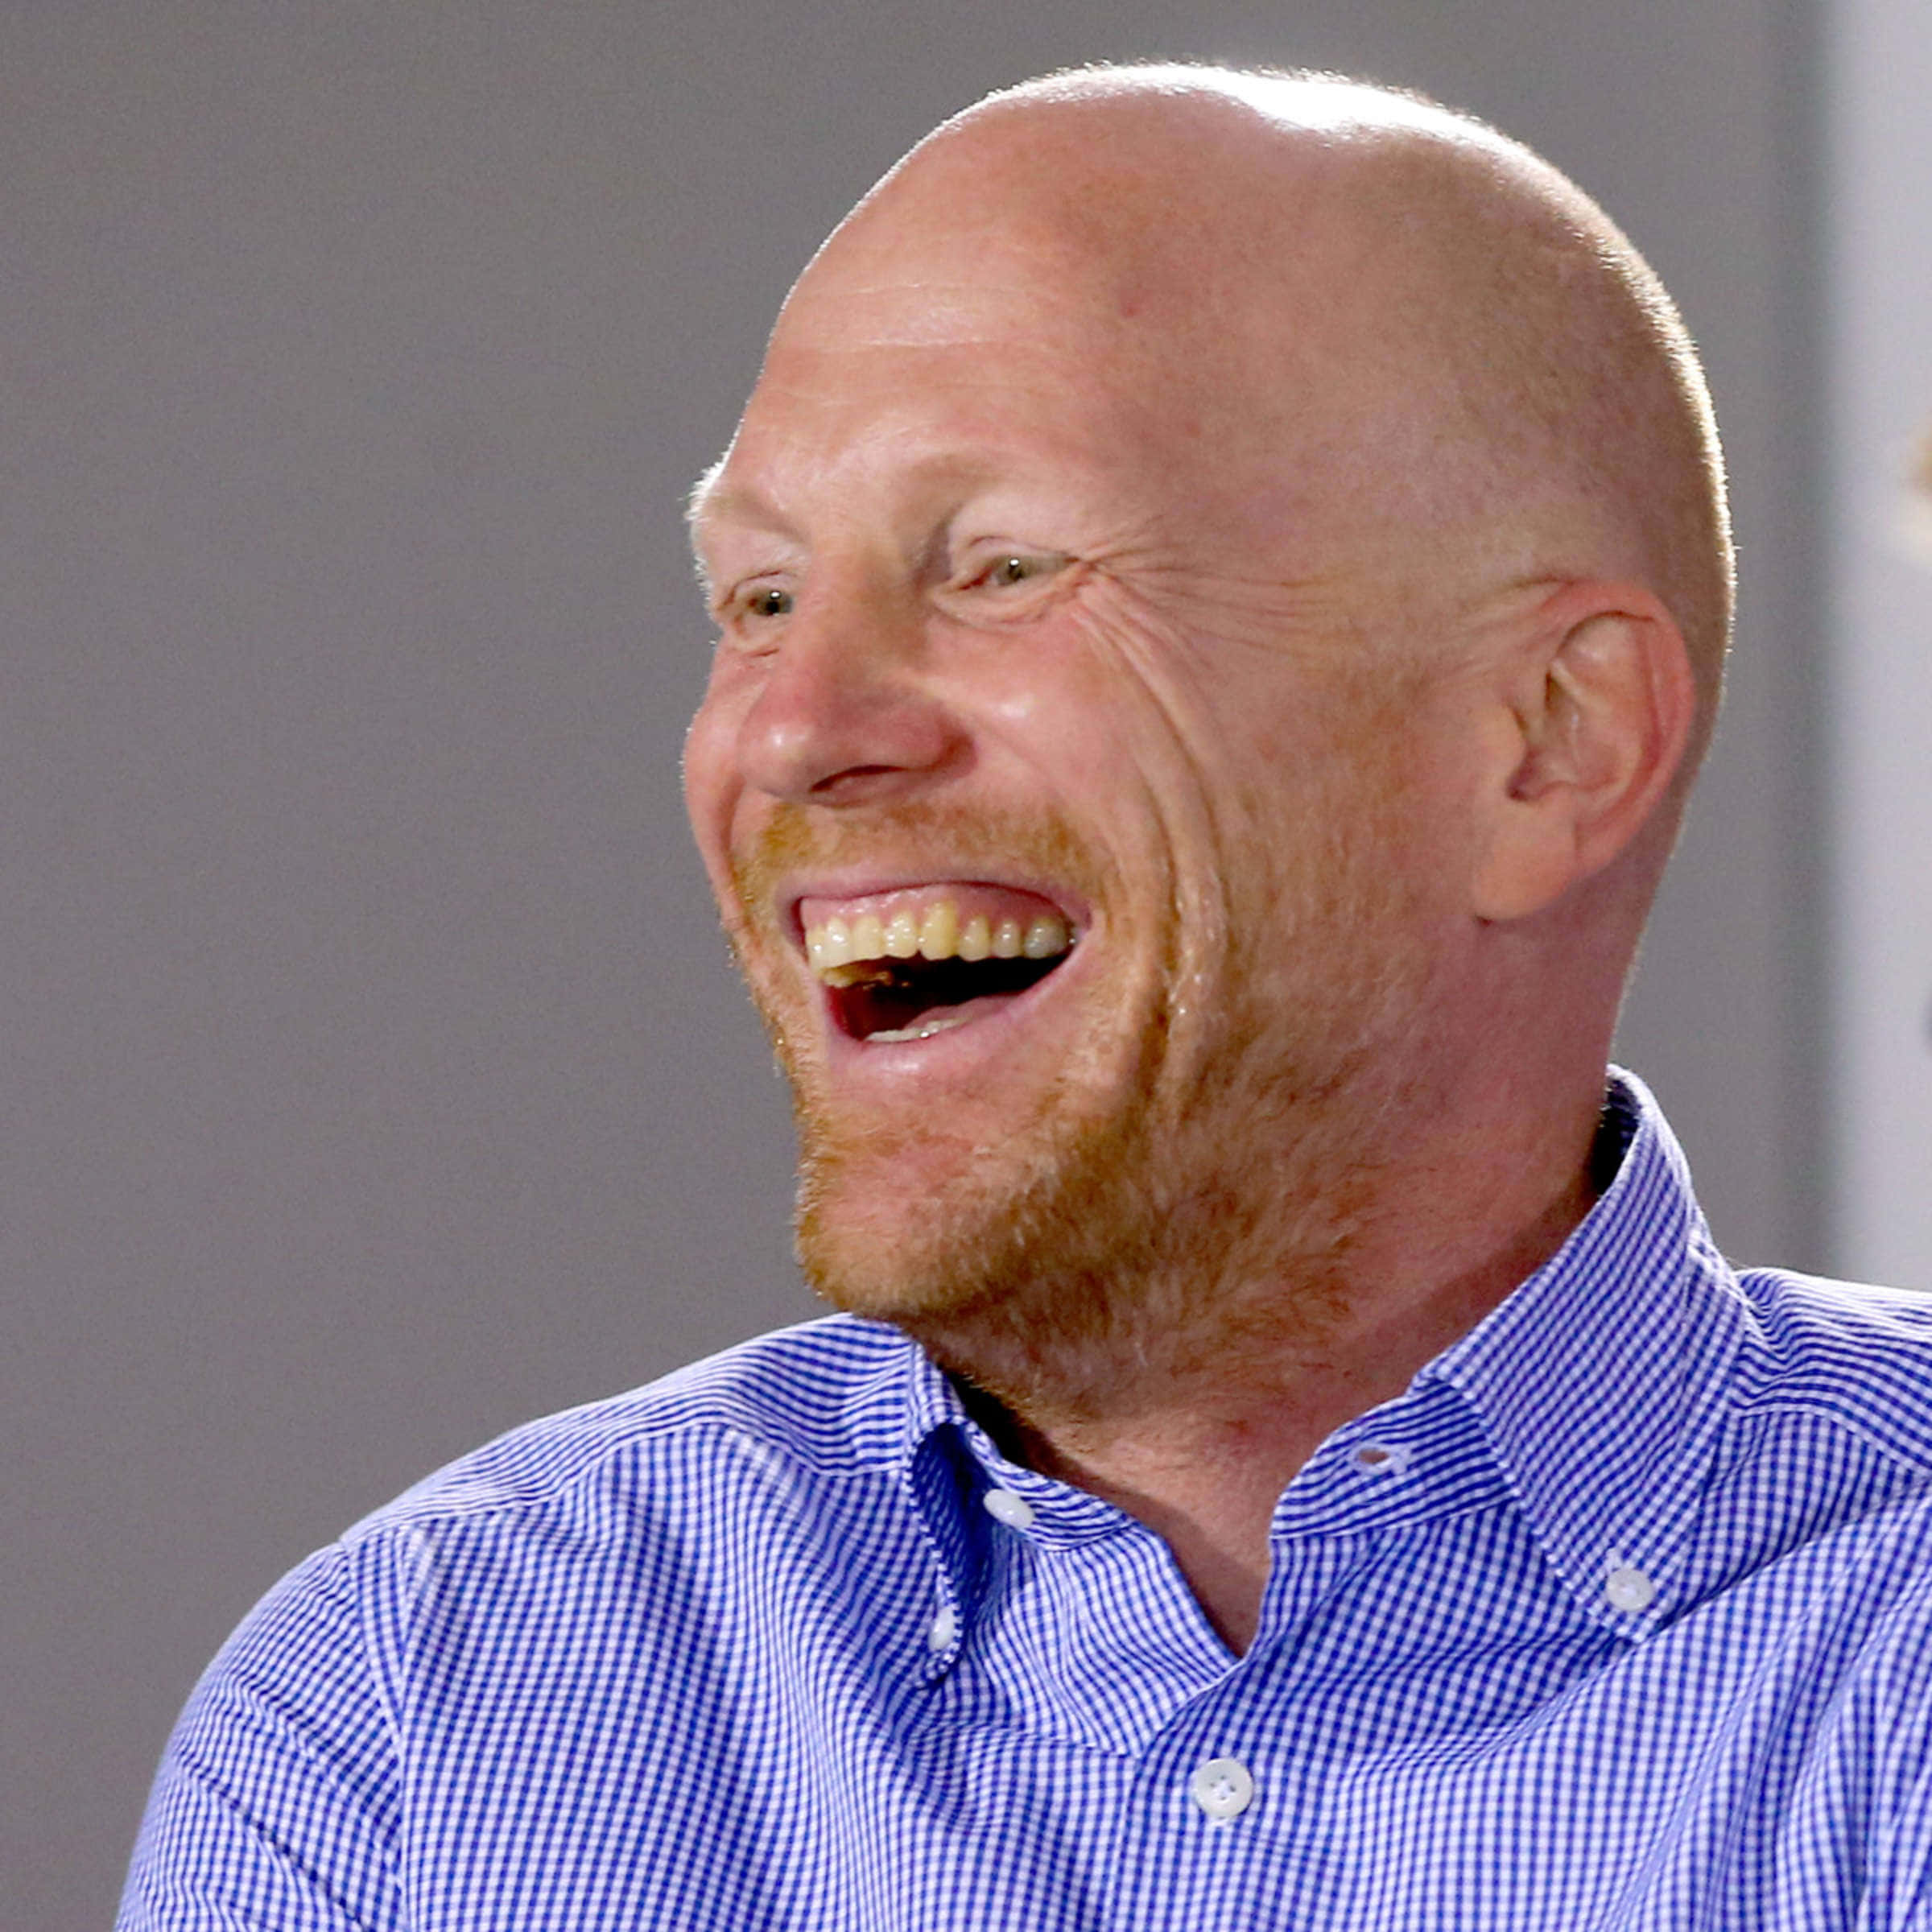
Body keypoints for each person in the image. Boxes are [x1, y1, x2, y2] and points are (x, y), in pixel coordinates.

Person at [122, 64, 1932, 1930]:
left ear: (1546, 745)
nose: (797, 731)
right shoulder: (412, 1720)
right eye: (758, 601)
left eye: (1001, 567)